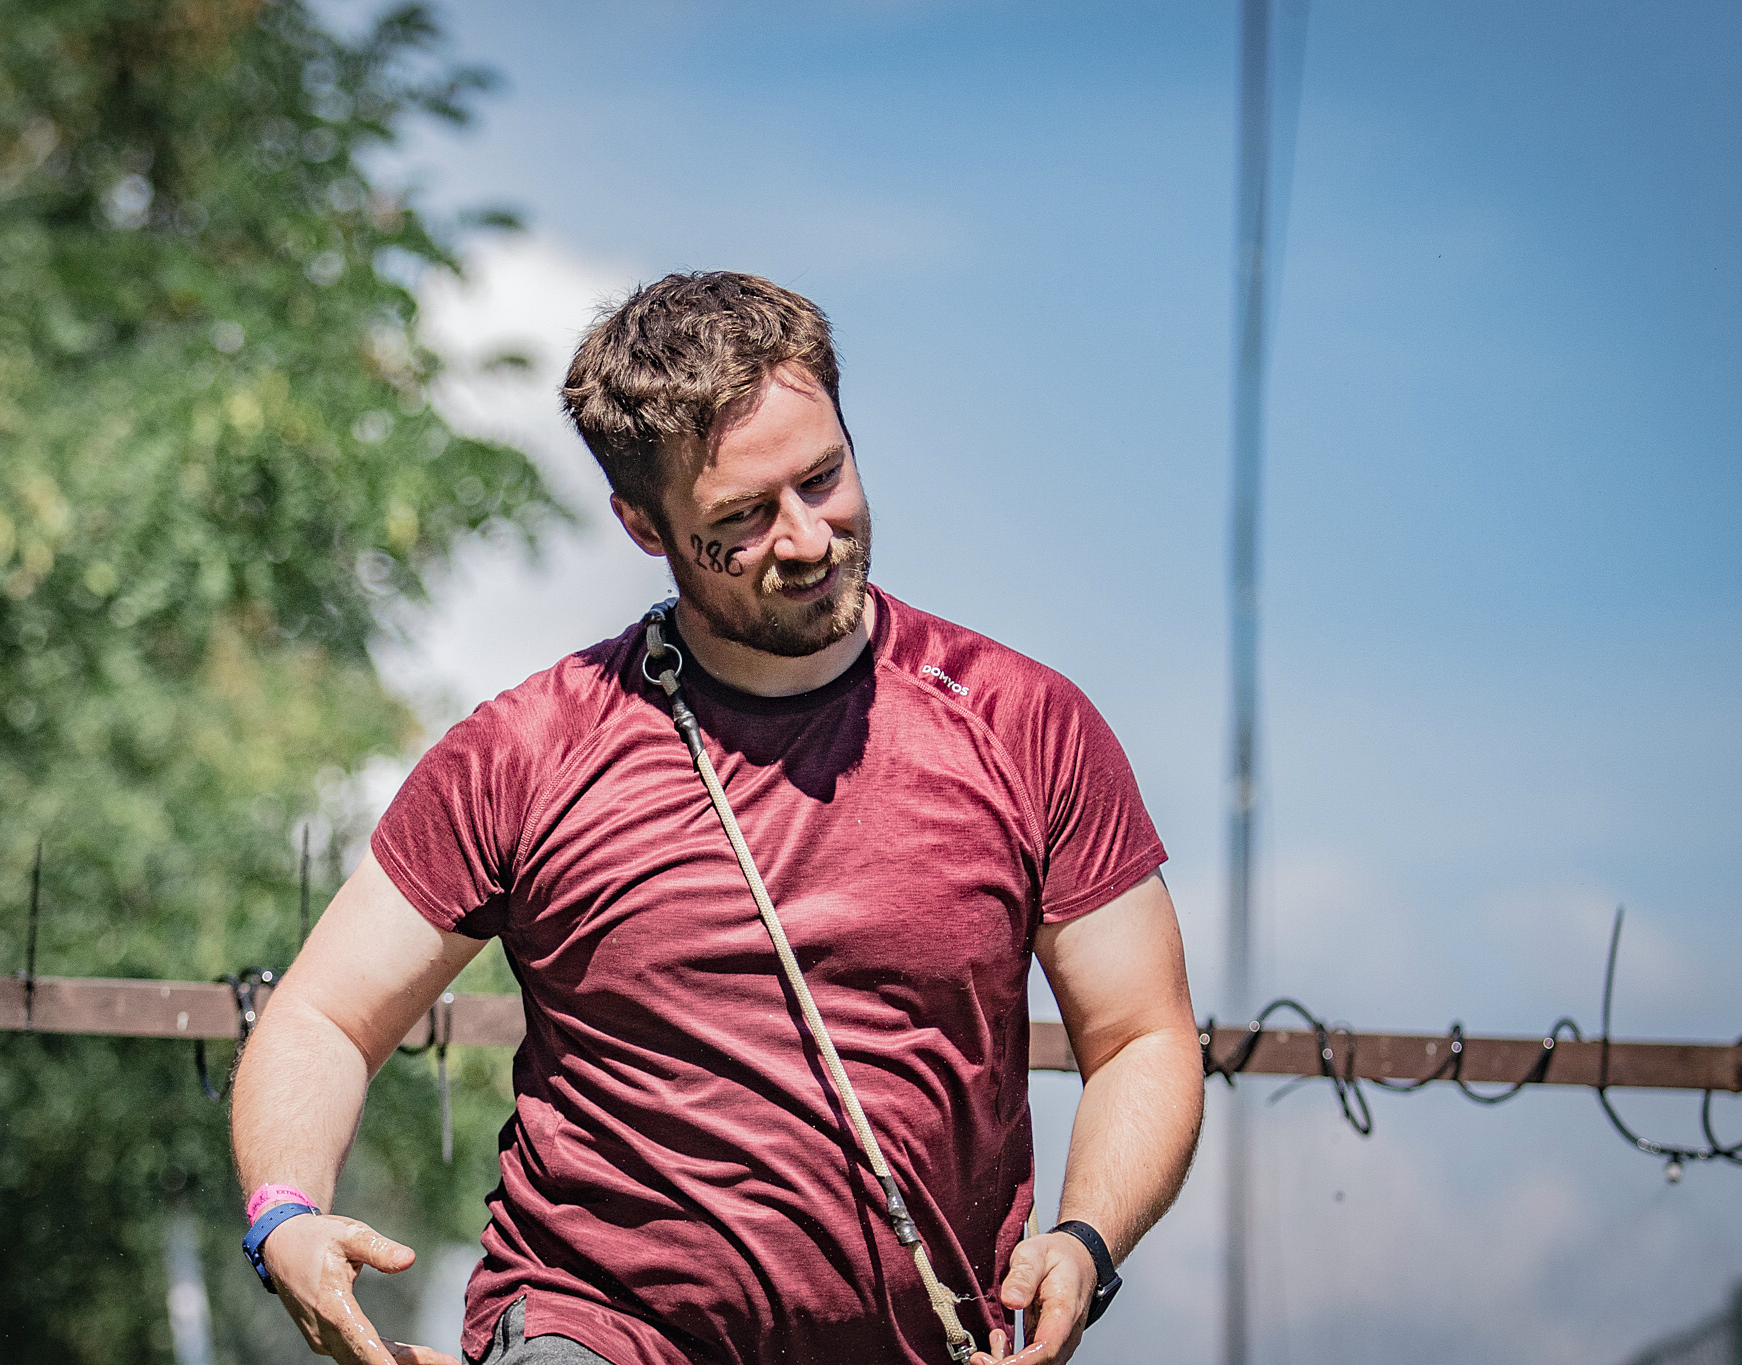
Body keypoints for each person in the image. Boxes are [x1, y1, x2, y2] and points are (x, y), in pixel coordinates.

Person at [230, 272, 1205, 1365]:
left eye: (822, 478)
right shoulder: (525, 752)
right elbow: (323, 1015)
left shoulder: (1025, 724)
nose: (807, 539)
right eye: (742, 518)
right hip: (595, 1329)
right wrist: (284, 1215)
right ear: (642, 525)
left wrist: (1085, 1239)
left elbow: (1140, 1034)